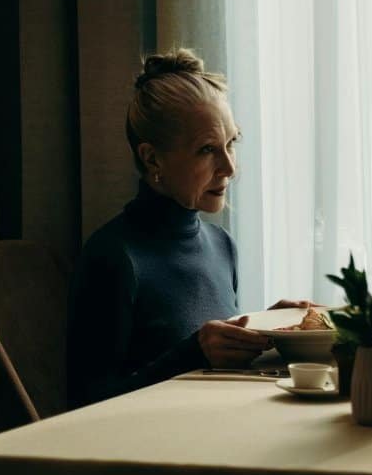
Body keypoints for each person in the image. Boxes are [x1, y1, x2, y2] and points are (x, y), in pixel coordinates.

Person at [67, 48, 309, 407]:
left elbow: (215, 371)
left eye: (231, 143)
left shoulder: (221, 245)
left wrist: (272, 330)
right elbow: (85, 405)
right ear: (152, 159)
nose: (229, 167)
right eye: (207, 149)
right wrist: (193, 353)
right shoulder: (114, 256)